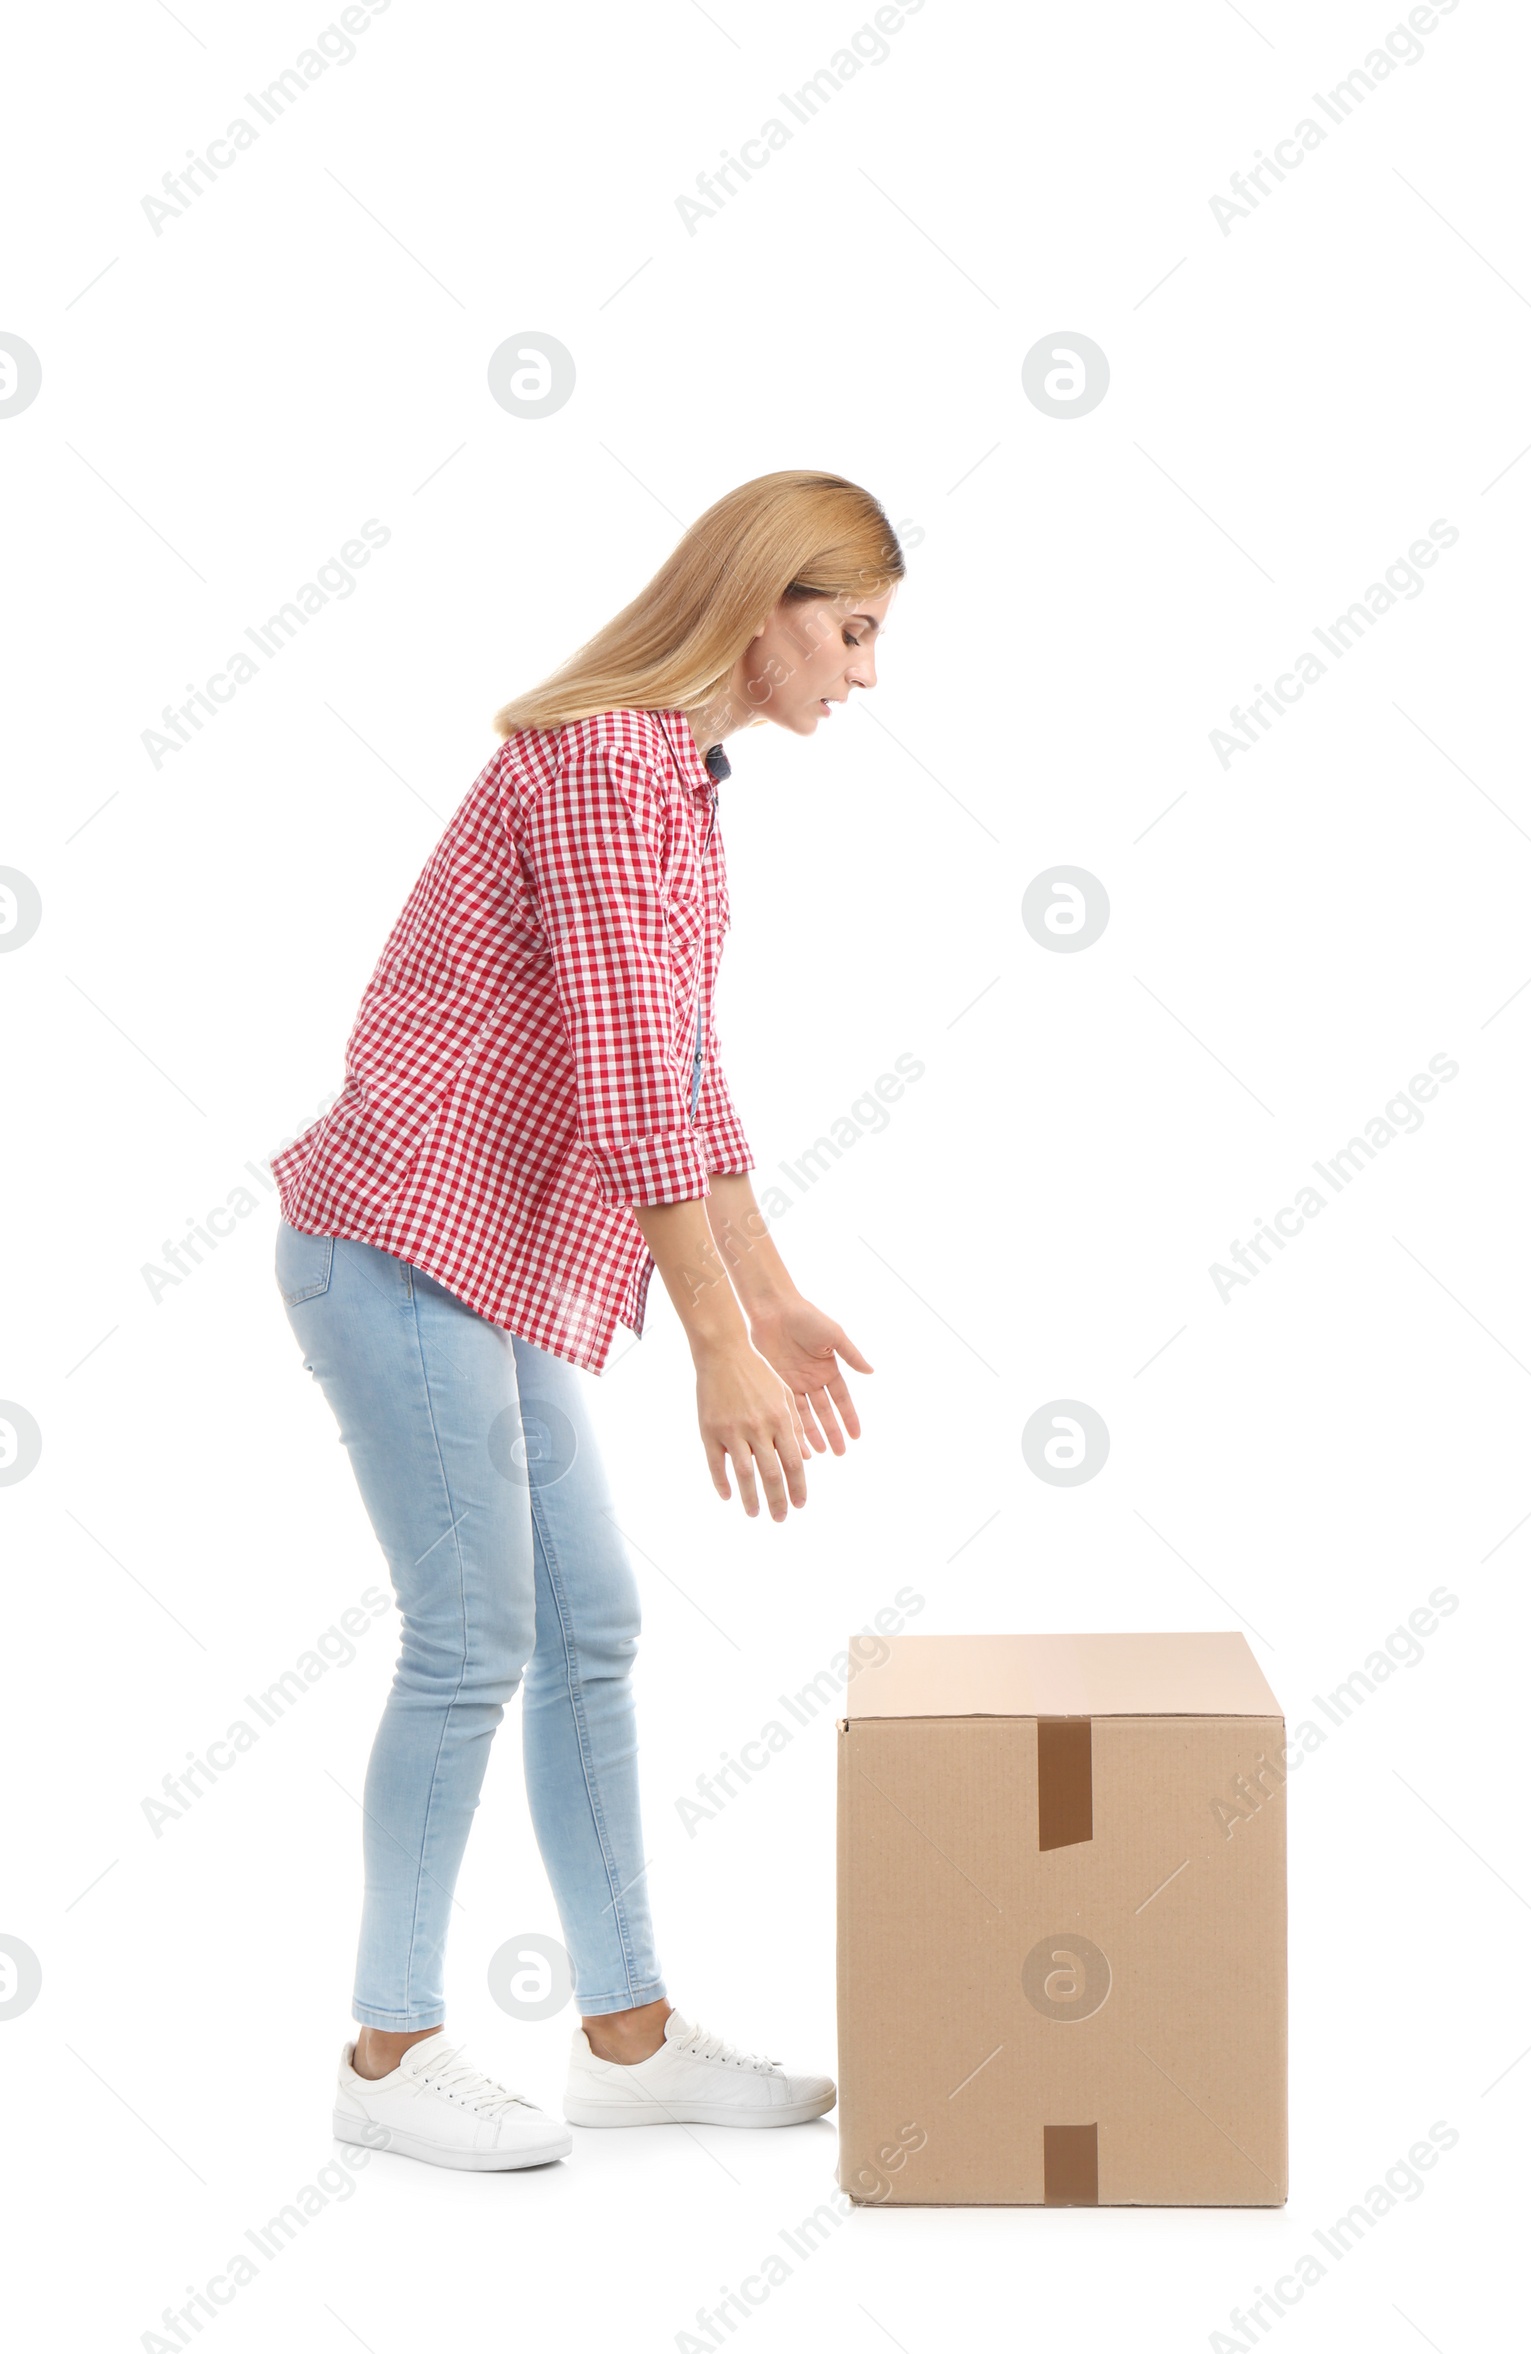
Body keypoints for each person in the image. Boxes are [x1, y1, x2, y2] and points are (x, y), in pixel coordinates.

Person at [269, 469, 902, 2170]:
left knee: (593, 1626)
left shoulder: (674, 781)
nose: (862, 673)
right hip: (397, 1242)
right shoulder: (609, 762)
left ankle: (624, 2034)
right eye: (849, 633)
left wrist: (770, 1295)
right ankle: (389, 2054)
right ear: (765, 605)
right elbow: (635, 1081)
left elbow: (681, 1066)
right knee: (473, 1634)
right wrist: (709, 1340)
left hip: (490, 1264)